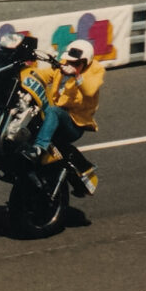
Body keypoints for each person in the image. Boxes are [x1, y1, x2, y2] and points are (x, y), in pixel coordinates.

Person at [23, 39, 103, 193]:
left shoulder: (95, 71)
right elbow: (44, 75)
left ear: (85, 62)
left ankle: (39, 147)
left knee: (53, 111)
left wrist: (77, 76)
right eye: (70, 62)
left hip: (74, 124)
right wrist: (27, 73)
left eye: (76, 63)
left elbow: (90, 91)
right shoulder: (63, 66)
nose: (71, 65)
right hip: (57, 118)